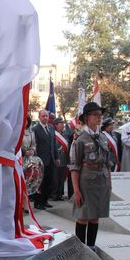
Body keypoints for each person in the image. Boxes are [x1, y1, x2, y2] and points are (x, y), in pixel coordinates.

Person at [69, 102, 111, 251]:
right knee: (84, 215)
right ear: (86, 118)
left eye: (100, 115)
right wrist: (76, 191)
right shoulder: (80, 139)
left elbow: (107, 163)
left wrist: (109, 184)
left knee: (95, 215)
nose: (99, 118)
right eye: (95, 115)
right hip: (86, 180)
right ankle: (81, 249)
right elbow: (74, 167)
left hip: (102, 179)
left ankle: (91, 247)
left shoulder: (103, 138)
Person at [33, 109, 59, 210]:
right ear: (39, 117)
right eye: (43, 116)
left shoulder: (51, 128)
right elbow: (34, 145)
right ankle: (38, 203)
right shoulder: (36, 129)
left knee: (48, 181)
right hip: (40, 160)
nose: (45, 118)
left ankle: (45, 201)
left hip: (51, 159)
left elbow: (54, 144)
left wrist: (56, 157)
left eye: (47, 116)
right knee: (40, 183)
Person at [52, 117, 69, 200]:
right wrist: (59, 150)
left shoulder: (65, 135)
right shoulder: (53, 134)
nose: (63, 125)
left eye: (63, 123)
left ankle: (60, 194)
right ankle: (54, 194)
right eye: (61, 123)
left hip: (64, 159)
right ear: (56, 125)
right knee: (55, 178)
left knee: (62, 178)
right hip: (56, 159)